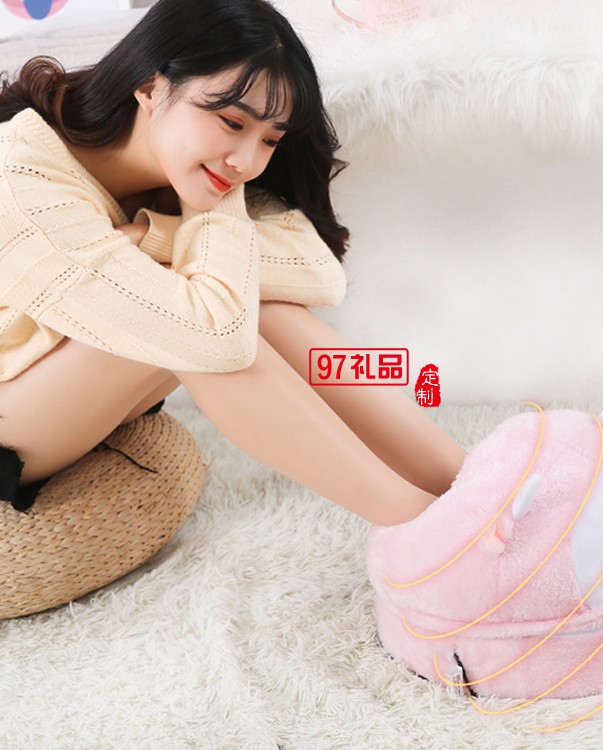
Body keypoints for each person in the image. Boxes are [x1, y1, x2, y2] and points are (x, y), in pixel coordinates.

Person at [0, 0, 466, 527]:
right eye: (230, 121)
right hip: (10, 422)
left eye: (270, 140)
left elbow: (318, 271)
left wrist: (153, 236)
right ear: (151, 87)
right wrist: (210, 212)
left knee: (248, 298)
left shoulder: (185, 168)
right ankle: (426, 525)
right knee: (209, 313)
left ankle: (466, 481)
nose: (247, 162)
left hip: (79, 389)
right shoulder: (21, 178)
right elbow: (215, 337)